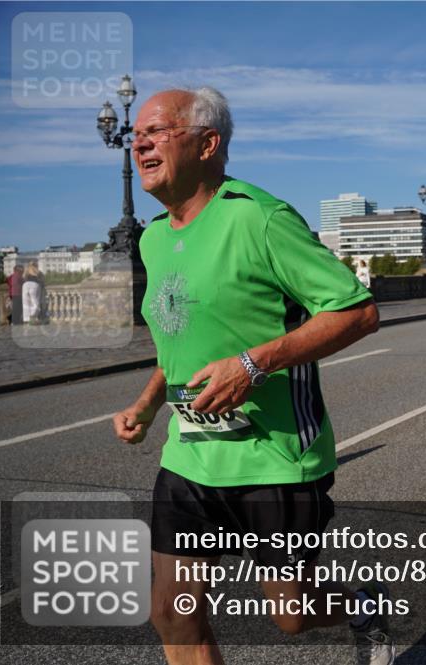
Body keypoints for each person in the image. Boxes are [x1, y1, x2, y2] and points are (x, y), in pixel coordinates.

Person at [110, 87, 393, 665]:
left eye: (157, 131)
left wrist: (252, 365)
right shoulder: (154, 238)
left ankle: (362, 606)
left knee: (293, 615)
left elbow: (358, 311)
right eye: (135, 135)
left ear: (207, 143)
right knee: (172, 613)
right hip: (189, 458)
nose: (139, 144)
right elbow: (181, 343)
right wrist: (147, 404)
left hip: (275, 459)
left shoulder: (260, 218)